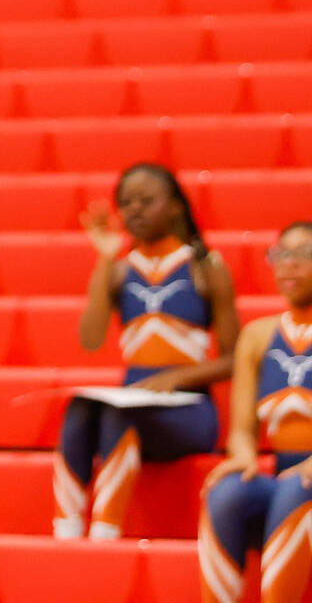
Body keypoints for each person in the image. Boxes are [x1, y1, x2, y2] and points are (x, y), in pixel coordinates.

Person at [53, 163, 240, 540]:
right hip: (133, 398)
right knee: (80, 409)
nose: (134, 210)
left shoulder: (205, 267)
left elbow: (235, 359)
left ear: (175, 206)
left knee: (119, 418)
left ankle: (105, 534)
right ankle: (65, 530)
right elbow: (90, 339)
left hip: (188, 408)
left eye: (146, 201)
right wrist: (105, 258)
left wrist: (176, 377)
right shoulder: (121, 270)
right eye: (126, 203)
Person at [200, 222, 312, 603]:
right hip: (287, 477)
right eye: (281, 254)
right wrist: (244, 455)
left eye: (304, 254)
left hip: (301, 483)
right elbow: (242, 428)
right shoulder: (258, 336)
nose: (289, 264)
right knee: (228, 491)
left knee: (297, 487)